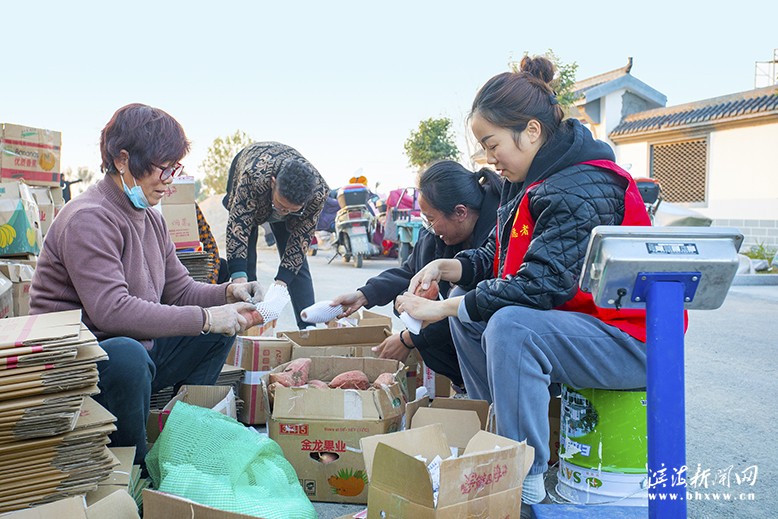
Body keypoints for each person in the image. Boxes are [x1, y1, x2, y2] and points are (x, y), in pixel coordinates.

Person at [396, 56, 654, 512]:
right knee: (471, 317)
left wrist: (442, 309)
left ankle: (522, 475)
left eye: (492, 143)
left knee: (510, 325)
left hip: (631, 341)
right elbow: (495, 258)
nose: (489, 156)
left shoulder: (582, 184)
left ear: (531, 131)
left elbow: (541, 286)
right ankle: (494, 441)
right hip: (584, 330)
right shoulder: (531, 180)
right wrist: (442, 270)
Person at [29, 103, 265, 466]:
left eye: (175, 168)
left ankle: (183, 434)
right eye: (163, 168)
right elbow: (111, 312)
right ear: (123, 160)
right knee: (128, 353)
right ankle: (133, 469)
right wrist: (204, 317)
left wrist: (227, 294)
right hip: (80, 364)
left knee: (221, 328)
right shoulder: (89, 218)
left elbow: (181, 290)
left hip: (133, 351)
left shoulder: (149, 219)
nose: (169, 179)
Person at [332, 160, 501, 391]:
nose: (430, 228)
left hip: (491, 330)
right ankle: (464, 387)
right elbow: (411, 271)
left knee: (446, 308)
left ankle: (482, 393)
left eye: (431, 219)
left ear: (460, 212)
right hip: (453, 321)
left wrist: (408, 339)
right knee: (408, 303)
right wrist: (364, 295)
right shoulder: (438, 236)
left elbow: (478, 304)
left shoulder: (501, 232)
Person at [222, 142, 329, 329]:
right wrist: (239, 278)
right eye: (281, 205)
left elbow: (300, 242)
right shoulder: (253, 176)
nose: (284, 212)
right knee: (246, 261)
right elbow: (238, 227)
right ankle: (249, 324)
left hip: (282, 199)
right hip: (249, 172)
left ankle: (309, 328)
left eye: (291, 209)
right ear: (273, 183)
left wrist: (281, 284)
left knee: (297, 265)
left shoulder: (318, 193)